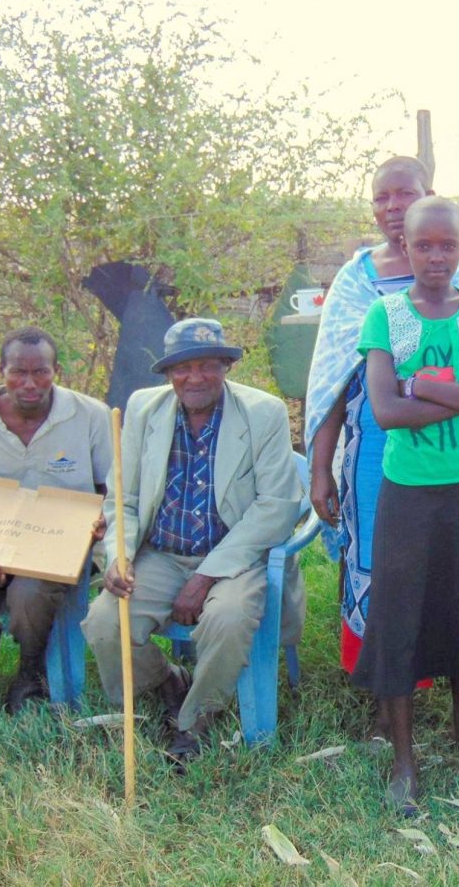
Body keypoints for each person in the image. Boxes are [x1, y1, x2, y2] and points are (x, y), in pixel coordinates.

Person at [305, 156, 459, 743]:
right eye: (380, 198)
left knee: (454, 573)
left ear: (429, 196)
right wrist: (320, 468)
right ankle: (388, 702)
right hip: (380, 451)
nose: (391, 207)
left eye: (402, 194)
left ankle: (447, 698)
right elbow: (334, 385)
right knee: (385, 571)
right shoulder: (359, 285)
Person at [351, 196, 459, 815]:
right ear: (406, 246)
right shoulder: (385, 315)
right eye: (424, 245)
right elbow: (385, 413)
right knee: (398, 617)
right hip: (408, 493)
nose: (436, 257)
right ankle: (405, 767)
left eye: (448, 245)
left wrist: (423, 384)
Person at [82, 318, 304, 765]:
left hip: (234, 558)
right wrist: (119, 556)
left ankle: (196, 719)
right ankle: (167, 682)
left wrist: (204, 576)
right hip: (161, 554)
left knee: (228, 615)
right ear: (168, 374)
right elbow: (122, 499)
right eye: (182, 368)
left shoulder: (263, 413)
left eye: (207, 366)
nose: (194, 378)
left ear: (225, 366)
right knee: (106, 622)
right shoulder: (143, 410)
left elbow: (277, 505)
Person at [0, 326, 111, 712]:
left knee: (28, 594)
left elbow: (118, 486)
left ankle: (31, 672)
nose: (29, 383)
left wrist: (101, 520)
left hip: (58, 550)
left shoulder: (90, 415)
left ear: (56, 369)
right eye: (17, 372)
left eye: (40, 371)